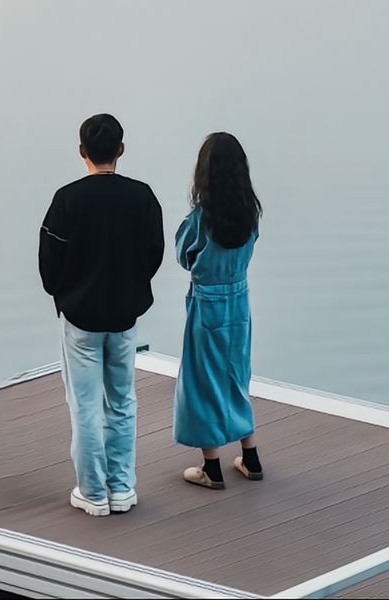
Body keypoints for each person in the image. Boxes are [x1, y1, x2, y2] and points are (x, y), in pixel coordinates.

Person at [39, 112, 164, 517]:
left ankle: (93, 493)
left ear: (82, 152)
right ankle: (123, 488)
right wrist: (131, 287)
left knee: (85, 404)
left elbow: (48, 265)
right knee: (123, 401)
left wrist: (65, 293)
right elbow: (153, 254)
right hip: (125, 316)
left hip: (80, 318)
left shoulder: (67, 199)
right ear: (121, 150)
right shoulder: (143, 197)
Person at [172, 131, 264, 490]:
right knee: (236, 375)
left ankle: (211, 466)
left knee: (202, 381)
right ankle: (250, 455)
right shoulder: (250, 215)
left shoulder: (199, 219)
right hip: (239, 301)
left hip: (206, 303)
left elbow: (184, 256)